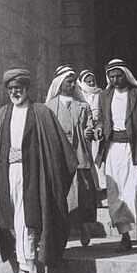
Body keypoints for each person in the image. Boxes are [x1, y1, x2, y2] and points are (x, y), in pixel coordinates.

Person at [0, 68, 77, 273]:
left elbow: (58, 148)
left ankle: (25, 268)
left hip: (34, 175)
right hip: (8, 174)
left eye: (19, 88)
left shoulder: (41, 113)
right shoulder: (2, 114)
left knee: (26, 219)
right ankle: (29, 260)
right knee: (14, 219)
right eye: (11, 89)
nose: (15, 92)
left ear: (26, 89)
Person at [87, 59, 137, 252]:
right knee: (116, 194)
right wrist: (99, 129)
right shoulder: (104, 96)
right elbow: (101, 121)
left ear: (126, 75)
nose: (115, 79)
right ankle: (125, 236)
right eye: (111, 76)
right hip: (114, 151)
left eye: (119, 75)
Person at [45, 65, 97, 246]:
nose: (72, 84)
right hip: (59, 155)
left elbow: (90, 126)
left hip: (79, 154)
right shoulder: (50, 107)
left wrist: (91, 132)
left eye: (74, 81)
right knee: (61, 193)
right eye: (68, 81)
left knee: (83, 192)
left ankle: (84, 227)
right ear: (59, 83)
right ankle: (62, 231)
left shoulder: (82, 106)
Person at [79, 69, 107, 199]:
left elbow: (103, 111)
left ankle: (103, 189)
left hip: (99, 129)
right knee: (89, 160)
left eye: (92, 81)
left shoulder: (100, 93)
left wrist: (100, 126)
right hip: (87, 131)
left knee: (100, 159)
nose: (91, 83)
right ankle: (95, 192)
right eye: (88, 81)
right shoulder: (79, 94)